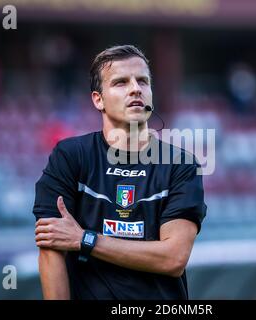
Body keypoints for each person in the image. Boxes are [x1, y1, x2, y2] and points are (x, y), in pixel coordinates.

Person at [33, 45, 207, 300]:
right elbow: (51, 247)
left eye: (143, 81)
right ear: (98, 99)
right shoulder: (69, 157)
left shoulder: (181, 164)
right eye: (121, 82)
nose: (135, 88)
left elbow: (173, 258)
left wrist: (84, 239)